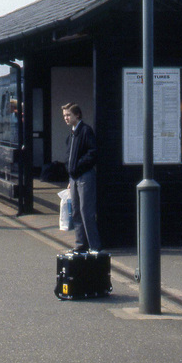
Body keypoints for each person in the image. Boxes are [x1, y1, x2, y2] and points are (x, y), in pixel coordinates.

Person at [62, 102, 102, 252]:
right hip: (74, 178)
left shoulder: (86, 131)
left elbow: (92, 153)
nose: (66, 118)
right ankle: (80, 244)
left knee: (86, 211)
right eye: (64, 115)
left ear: (77, 115)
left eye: (68, 115)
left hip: (85, 176)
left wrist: (77, 166)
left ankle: (94, 246)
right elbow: (68, 156)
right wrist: (70, 175)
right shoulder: (71, 134)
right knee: (76, 212)